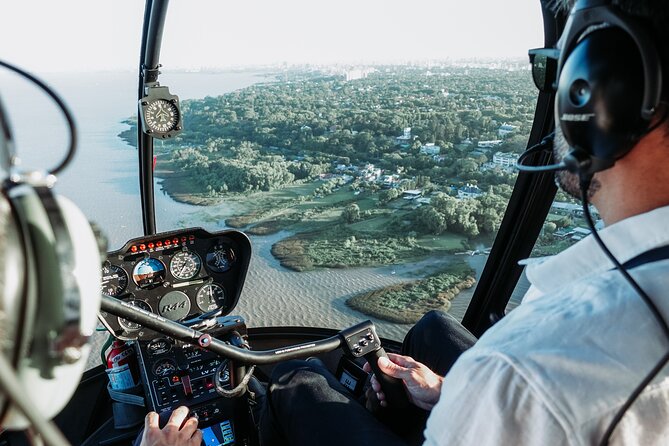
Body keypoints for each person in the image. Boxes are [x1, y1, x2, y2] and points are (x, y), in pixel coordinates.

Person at [259, 0, 669, 444]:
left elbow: (524, 395)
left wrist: (474, 399)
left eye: (559, 72)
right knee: (433, 325)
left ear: (596, 96)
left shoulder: (526, 366)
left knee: (299, 381)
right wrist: (448, 394)